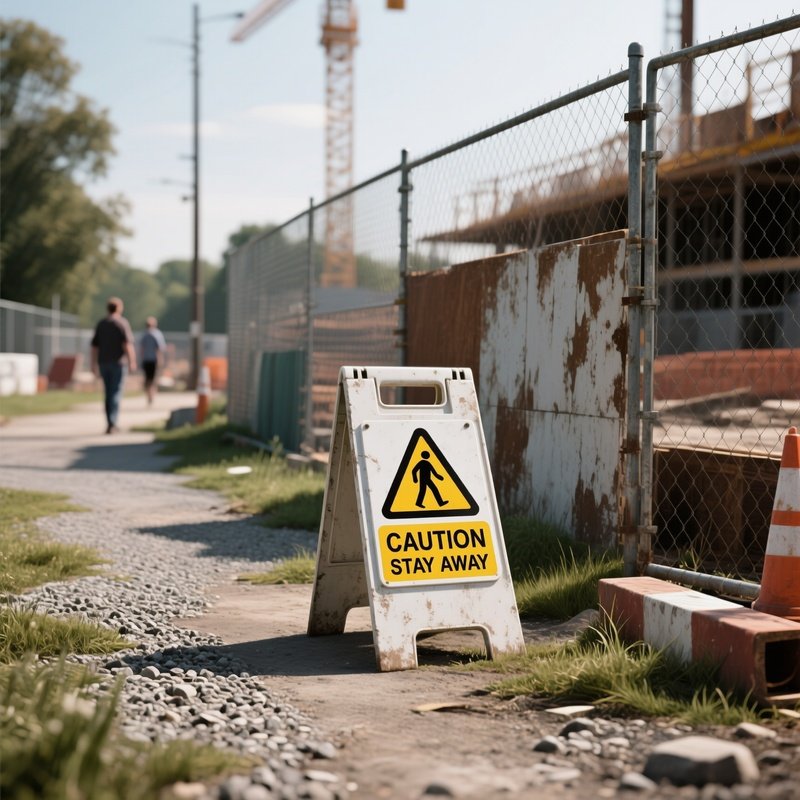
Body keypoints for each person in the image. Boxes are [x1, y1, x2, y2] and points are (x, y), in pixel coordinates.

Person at [90, 297, 136, 434]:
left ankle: (110, 422)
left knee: (108, 393)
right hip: (118, 364)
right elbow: (127, 344)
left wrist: (93, 363)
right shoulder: (122, 323)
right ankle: (113, 422)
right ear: (119, 308)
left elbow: (94, 347)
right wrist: (132, 361)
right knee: (115, 392)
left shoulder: (101, 324)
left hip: (103, 362)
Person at [139, 316, 166, 405]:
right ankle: (151, 395)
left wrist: (141, 358)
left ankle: (149, 395)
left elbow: (141, 349)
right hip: (154, 360)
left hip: (146, 360)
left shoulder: (144, 335)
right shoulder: (157, 334)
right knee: (153, 379)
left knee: (147, 378)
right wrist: (160, 360)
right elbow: (159, 349)